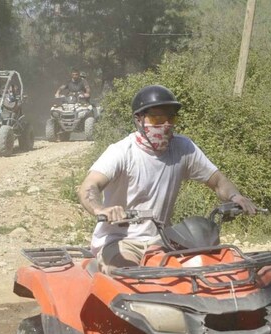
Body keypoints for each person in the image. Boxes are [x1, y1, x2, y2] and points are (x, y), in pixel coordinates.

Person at [76, 85, 257, 271]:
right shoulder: (122, 152)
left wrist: (236, 197)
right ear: (139, 120)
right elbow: (89, 186)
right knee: (129, 275)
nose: (166, 125)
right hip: (121, 241)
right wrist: (101, 210)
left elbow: (218, 181)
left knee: (204, 271)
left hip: (161, 239)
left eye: (171, 118)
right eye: (157, 119)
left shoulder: (183, 148)